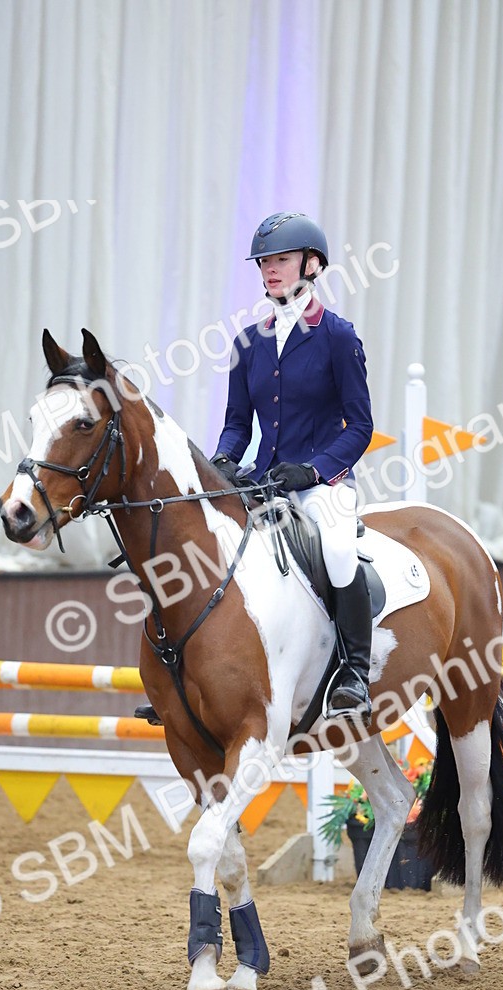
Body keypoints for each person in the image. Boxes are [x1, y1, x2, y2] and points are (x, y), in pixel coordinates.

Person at [211, 211, 374, 722]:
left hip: (320, 485)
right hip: (264, 482)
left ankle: (354, 672)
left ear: (312, 264)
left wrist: (317, 470)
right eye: (264, 262)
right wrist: (222, 461)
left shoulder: (337, 337)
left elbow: (361, 427)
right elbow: (238, 424)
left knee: (339, 546)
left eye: (280, 260)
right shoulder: (247, 342)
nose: (270, 270)